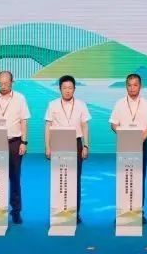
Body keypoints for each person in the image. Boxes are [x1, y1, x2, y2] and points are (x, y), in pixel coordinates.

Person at [0, 70, 30, 224]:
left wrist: (24, 142)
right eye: (0, 83)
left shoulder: (20, 98)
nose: (3, 86)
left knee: (15, 178)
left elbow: (24, 121)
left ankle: (16, 211)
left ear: (12, 83)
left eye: (6, 83)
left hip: (14, 142)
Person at [109, 72, 147, 224]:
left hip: (141, 144)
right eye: (129, 85)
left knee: (139, 178)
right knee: (124, 177)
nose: (132, 88)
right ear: (126, 86)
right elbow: (113, 124)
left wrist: (140, 139)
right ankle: (123, 211)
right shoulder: (119, 103)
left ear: (140, 86)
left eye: (135, 85)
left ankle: (138, 212)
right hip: (125, 144)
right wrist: (124, 135)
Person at [44, 75, 91, 223]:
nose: (67, 90)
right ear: (60, 89)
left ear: (74, 89)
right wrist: (48, 146)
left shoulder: (81, 105)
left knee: (75, 179)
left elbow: (84, 126)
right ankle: (58, 211)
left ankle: (74, 213)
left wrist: (86, 145)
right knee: (59, 178)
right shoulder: (52, 105)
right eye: (64, 88)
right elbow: (48, 126)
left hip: (76, 143)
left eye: (70, 88)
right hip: (58, 143)